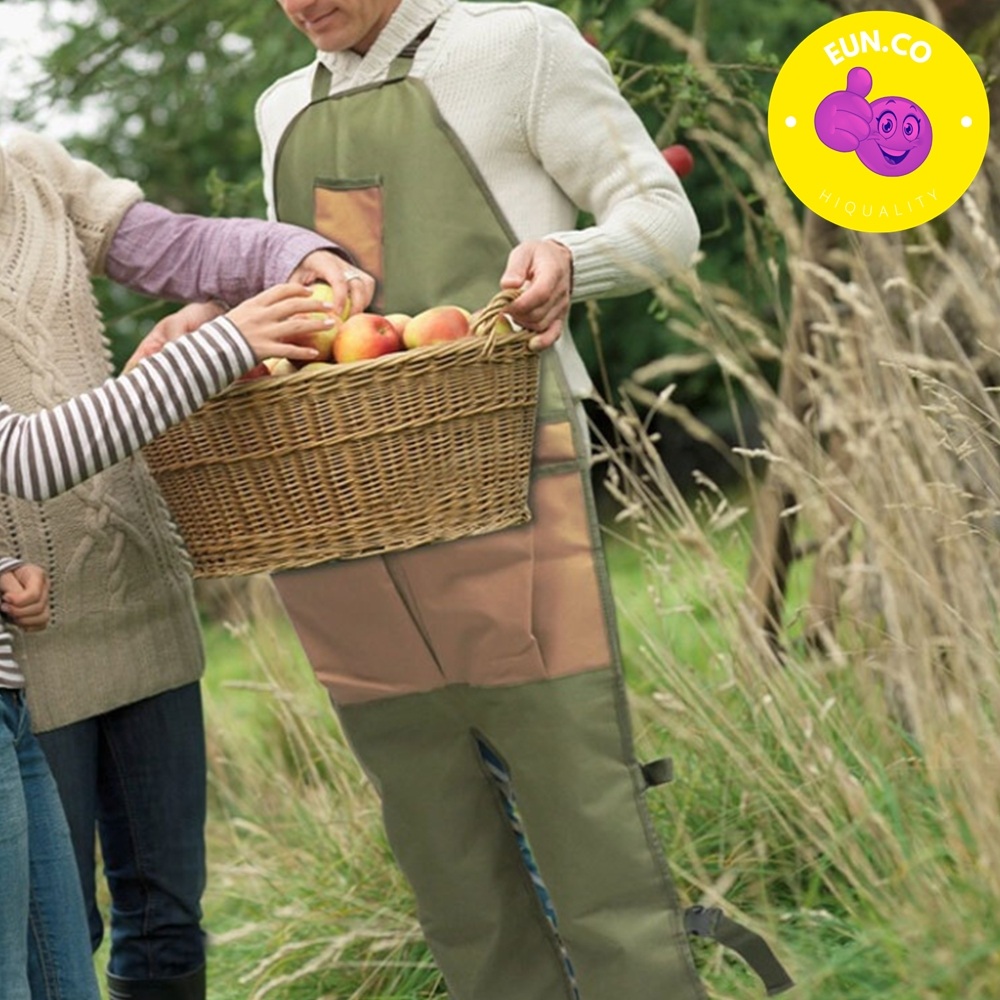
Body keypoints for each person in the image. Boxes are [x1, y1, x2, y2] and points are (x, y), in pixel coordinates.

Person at [142, 1, 792, 996]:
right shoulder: (282, 109)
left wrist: (573, 257)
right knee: (434, 831)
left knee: (579, 794)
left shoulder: (514, 45)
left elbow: (665, 221)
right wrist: (218, 319)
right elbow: (331, 295)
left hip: (507, 466)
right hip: (340, 498)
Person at [0, 127, 374, 1000]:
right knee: (64, 933)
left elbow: (180, 246)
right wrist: (225, 343)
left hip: (140, 588)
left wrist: (295, 253)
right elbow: (22, 456)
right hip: (30, 636)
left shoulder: (29, 167)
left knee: (168, 923)